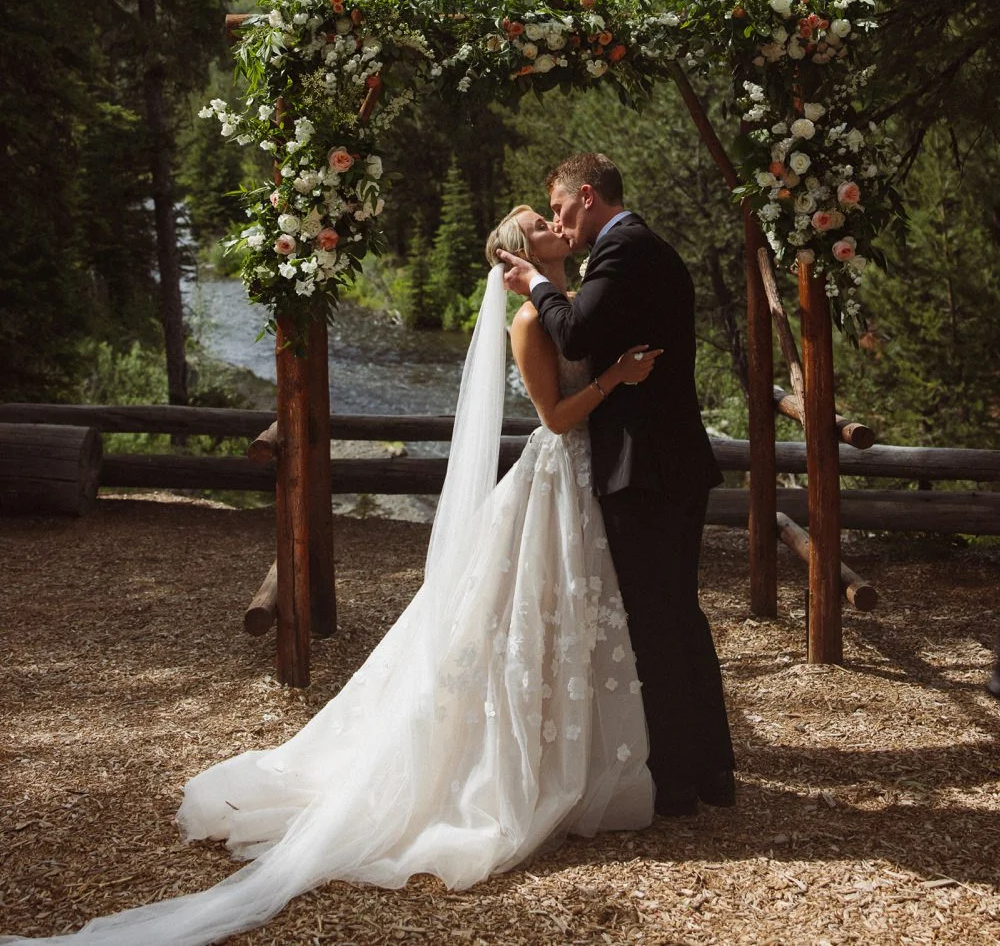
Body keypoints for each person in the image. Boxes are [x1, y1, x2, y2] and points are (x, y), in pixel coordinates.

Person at [3, 208, 660, 946]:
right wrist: (616, 379)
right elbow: (555, 417)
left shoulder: (566, 307)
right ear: (517, 255)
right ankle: (516, 773)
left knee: (559, 619)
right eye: (541, 221)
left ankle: (568, 755)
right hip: (554, 476)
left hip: (581, 486)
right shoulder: (529, 324)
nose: (556, 222)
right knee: (519, 621)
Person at [498, 153, 735, 817]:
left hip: (647, 469)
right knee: (676, 616)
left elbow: (574, 328)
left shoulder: (623, 249)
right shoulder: (640, 247)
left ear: (591, 196)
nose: (560, 220)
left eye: (562, 207)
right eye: (547, 217)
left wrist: (536, 288)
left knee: (658, 621)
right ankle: (709, 770)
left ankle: (681, 783)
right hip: (660, 463)